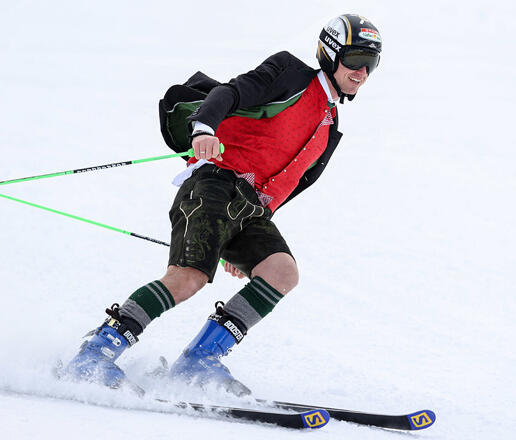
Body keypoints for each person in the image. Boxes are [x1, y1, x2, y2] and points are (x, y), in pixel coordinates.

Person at [64, 14, 382, 396]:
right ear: (330, 54)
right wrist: (204, 128)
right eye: (355, 59)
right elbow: (230, 93)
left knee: (281, 272)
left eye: (371, 63)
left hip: (251, 209)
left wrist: (241, 246)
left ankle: (199, 362)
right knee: (188, 277)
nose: (362, 71)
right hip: (214, 184)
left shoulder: (330, 125)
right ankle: (96, 351)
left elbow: (287, 183)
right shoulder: (291, 74)